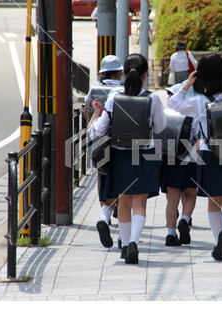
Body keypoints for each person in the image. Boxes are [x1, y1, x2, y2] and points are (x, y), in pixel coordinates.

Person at [168, 53, 222, 261]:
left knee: (213, 202)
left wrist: (187, 83)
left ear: (202, 75)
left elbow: (173, 104)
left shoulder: (198, 101)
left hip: (209, 153)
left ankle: (218, 242)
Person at [88, 53, 166, 264]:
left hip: (119, 154)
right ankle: (133, 243)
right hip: (144, 153)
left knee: (123, 201)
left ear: (123, 73)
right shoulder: (153, 98)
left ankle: (124, 243)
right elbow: (160, 127)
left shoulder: (114, 97)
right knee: (140, 202)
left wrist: (93, 122)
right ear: (145, 75)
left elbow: (101, 128)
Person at [85, 55, 124, 249]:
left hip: (100, 140)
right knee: (124, 179)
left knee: (103, 177)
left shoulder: (94, 89)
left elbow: (86, 111)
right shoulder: (122, 90)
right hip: (122, 140)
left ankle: (105, 214)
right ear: (119, 72)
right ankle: (117, 210)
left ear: (102, 72)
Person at [161, 82, 198, 246]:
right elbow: (199, 138)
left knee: (172, 199)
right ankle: (184, 218)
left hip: (170, 158)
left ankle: (170, 233)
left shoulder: (167, 114)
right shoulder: (195, 112)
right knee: (190, 194)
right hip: (191, 158)